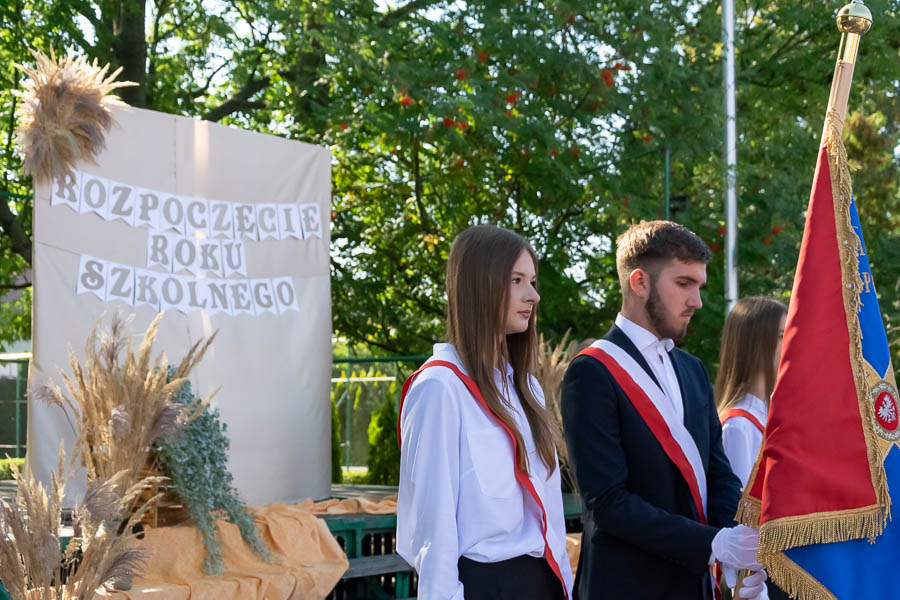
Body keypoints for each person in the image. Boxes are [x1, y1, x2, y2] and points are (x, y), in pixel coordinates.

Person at [561, 220, 766, 599]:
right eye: (684, 283)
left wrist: (736, 550)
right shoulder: (591, 371)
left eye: (699, 286)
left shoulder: (692, 369)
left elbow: (719, 475)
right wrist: (714, 544)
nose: (697, 301)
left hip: (694, 586)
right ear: (639, 282)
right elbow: (607, 502)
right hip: (626, 587)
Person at [396, 225, 573, 600]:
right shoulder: (440, 388)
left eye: (533, 281)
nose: (534, 295)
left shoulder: (528, 389)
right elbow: (433, 532)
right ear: (479, 285)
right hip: (484, 585)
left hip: (542, 582)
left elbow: (550, 518)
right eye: (516, 280)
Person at [716, 296, 788, 600]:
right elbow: (743, 530)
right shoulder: (738, 427)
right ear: (757, 344)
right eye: (784, 336)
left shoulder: (768, 418)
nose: (792, 345)